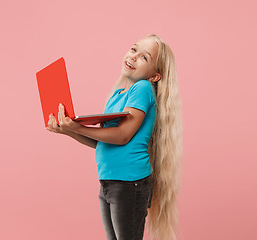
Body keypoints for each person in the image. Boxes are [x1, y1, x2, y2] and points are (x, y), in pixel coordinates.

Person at [46, 33, 182, 240]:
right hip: (109, 182)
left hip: (129, 183)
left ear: (155, 76)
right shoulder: (118, 94)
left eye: (144, 57)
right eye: (134, 49)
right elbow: (103, 140)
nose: (134, 56)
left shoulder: (143, 88)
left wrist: (77, 127)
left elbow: (122, 136)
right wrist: (68, 129)